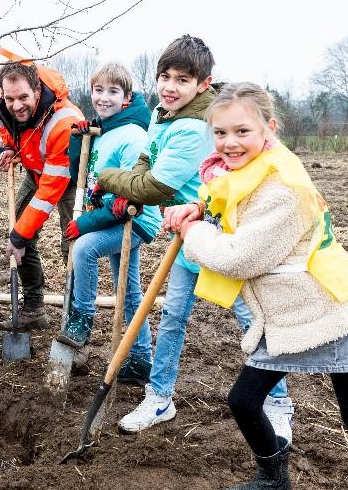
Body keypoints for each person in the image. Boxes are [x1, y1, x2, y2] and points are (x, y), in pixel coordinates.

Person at [163, 82, 348, 490]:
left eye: (242, 131)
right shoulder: (239, 173)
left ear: (269, 130)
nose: (229, 142)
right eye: (221, 132)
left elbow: (239, 256)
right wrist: (198, 210)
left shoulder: (284, 187)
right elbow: (223, 204)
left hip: (331, 310)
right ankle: (274, 479)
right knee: (243, 400)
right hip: (286, 317)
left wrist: (192, 232)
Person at [94, 35, 294, 441]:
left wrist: (114, 179)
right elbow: (148, 157)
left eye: (182, 79)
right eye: (164, 76)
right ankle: (160, 396)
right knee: (172, 317)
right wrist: (135, 175)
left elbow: (156, 183)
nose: (170, 86)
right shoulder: (162, 113)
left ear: (203, 83)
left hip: (224, 240)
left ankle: (277, 404)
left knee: (250, 320)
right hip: (187, 234)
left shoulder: (194, 125)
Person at [58, 63, 161, 383]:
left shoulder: (131, 136)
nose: (104, 97)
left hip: (136, 218)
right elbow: (80, 174)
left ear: (126, 97)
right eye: (98, 90)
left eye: (113, 92)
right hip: (111, 216)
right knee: (129, 292)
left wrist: (87, 223)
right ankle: (142, 359)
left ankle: (83, 317)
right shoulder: (101, 129)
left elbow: (130, 198)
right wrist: (79, 139)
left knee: (85, 248)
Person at [0, 48, 84, 330]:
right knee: (20, 230)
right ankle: (33, 308)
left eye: (23, 98)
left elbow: (49, 193)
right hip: (36, 170)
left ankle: (75, 317)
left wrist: (20, 235)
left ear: (37, 89)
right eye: (10, 98)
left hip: (71, 179)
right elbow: (5, 124)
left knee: (75, 246)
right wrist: (8, 145)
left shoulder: (65, 122)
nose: (16, 105)